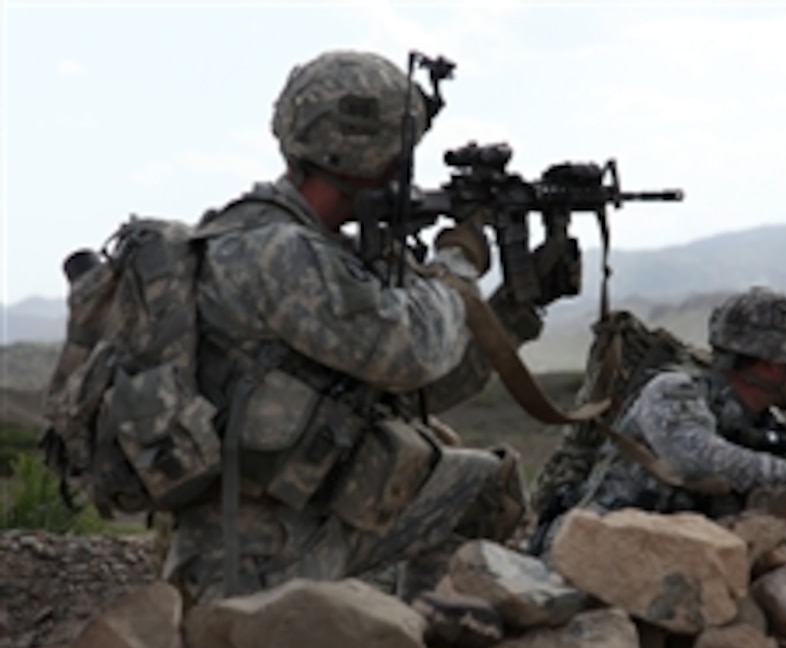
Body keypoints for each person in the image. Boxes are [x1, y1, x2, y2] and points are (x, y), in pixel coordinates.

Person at [161, 49, 544, 606]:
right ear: (371, 151)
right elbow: (413, 351)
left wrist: (511, 310)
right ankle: (377, 638)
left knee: (483, 483)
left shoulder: (300, 243)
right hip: (260, 558)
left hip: (301, 518)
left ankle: (429, 635)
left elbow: (418, 392)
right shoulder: (279, 253)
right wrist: (456, 266)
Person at [572, 286, 786, 520]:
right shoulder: (673, 390)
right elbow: (694, 459)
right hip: (590, 547)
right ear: (771, 364)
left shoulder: (762, 422)